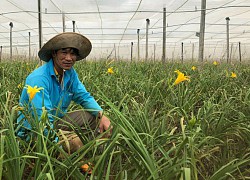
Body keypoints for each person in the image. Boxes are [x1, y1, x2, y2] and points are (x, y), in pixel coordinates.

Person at [17, 32, 112, 153]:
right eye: (64, 52)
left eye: (72, 53)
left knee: (96, 118)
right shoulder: (39, 78)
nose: (68, 58)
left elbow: (83, 96)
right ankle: (67, 154)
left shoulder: (69, 73)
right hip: (34, 131)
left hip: (56, 121)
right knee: (74, 143)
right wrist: (60, 146)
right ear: (54, 53)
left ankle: (91, 151)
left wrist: (101, 114)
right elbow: (42, 121)